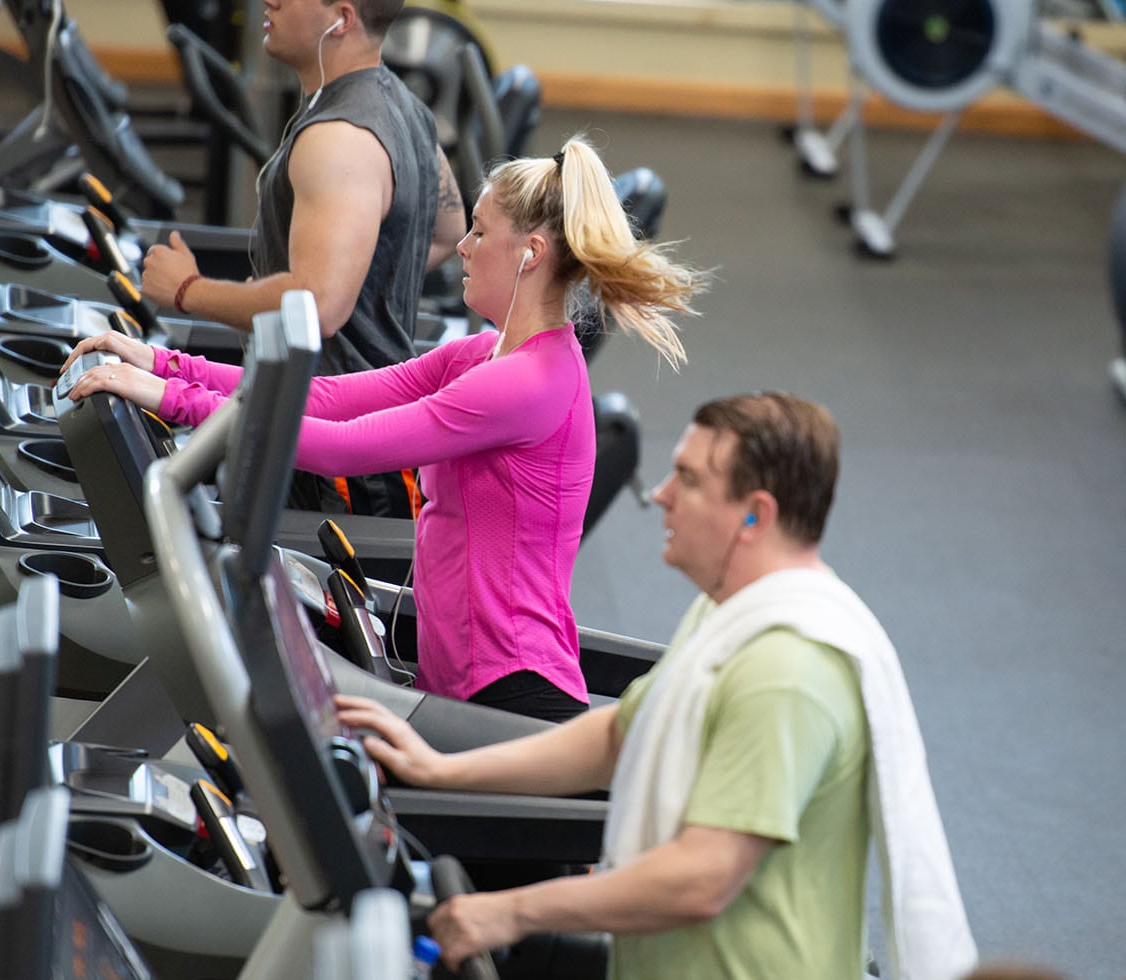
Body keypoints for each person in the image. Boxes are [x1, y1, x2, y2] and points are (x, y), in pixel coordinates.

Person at [334, 392, 978, 980]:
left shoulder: (787, 670)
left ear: (755, 516)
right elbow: (620, 737)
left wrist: (511, 912)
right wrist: (442, 767)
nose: (661, 494)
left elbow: (702, 878)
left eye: (691, 480)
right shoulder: (732, 607)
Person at [62, 136, 703, 722]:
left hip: (511, 691)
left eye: (480, 233)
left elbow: (344, 447)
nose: (463, 247)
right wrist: (164, 364)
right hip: (459, 675)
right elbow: (330, 399)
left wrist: (172, 400)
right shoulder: (483, 356)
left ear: (530, 253)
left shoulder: (525, 384)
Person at [138, 0, 468, 518]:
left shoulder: (338, 138)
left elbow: (316, 306)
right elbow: (449, 230)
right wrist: (357, 261)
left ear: (339, 18)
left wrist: (188, 292)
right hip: (358, 430)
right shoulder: (405, 107)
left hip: (331, 452)